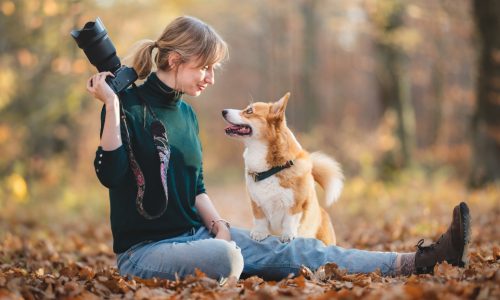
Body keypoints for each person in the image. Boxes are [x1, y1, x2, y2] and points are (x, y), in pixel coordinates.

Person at [86, 16, 471, 281]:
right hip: (145, 254)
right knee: (228, 257)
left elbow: (197, 187)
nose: (211, 78)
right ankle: (228, 258)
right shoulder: (126, 105)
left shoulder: (186, 115)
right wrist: (113, 105)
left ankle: (419, 261)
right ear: (175, 60)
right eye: (206, 67)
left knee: (297, 249)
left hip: (198, 237)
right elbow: (111, 174)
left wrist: (220, 226)